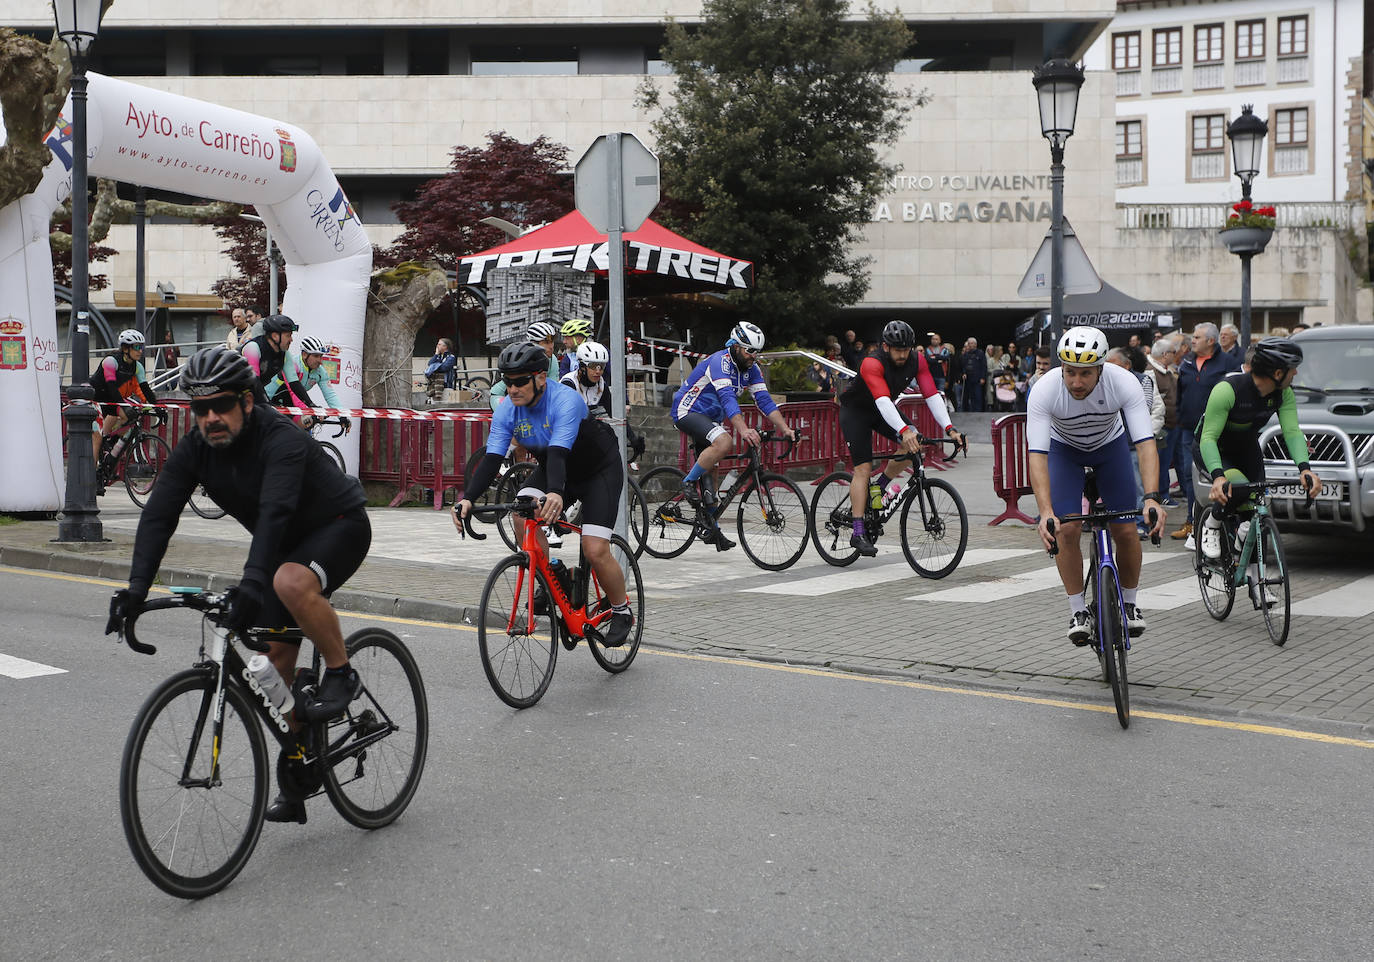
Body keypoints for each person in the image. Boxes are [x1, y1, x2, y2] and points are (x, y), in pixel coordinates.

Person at [105, 346, 372, 824]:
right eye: (200, 409)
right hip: (284, 546)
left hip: (338, 525)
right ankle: (300, 765)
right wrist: (136, 590)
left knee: (288, 581)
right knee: (274, 672)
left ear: (247, 402)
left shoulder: (280, 439)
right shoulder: (196, 449)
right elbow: (160, 513)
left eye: (221, 406)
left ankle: (340, 671)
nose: (210, 418)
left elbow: (275, 514)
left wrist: (252, 584)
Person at [454, 341, 634, 645]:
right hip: (556, 467)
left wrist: (555, 493)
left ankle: (622, 610)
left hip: (597, 470)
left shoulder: (564, 400)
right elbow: (492, 459)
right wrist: (468, 498)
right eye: (506, 381)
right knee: (522, 513)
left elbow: (559, 454)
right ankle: (549, 576)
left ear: (540, 378)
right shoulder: (508, 411)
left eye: (520, 381)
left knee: (594, 549)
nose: (512, 389)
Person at [1028, 327, 1165, 644]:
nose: (1076, 382)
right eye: (1070, 372)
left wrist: (1152, 498)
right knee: (1066, 530)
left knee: (1126, 530)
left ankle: (1129, 604)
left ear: (1101, 369)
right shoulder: (1045, 390)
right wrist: (1045, 510)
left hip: (1110, 448)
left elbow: (1145, 444)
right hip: (1064, 452)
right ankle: (1078, 610)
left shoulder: (1123, 383)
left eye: (1086, 374)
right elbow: (1037, 455)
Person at [1193, 339, 1320, 606]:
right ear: (1277, 372)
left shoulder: (1284, 393)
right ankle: (1212, 524)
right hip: (1214, 448)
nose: (1295, 373)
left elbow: (1292, 432)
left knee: (1257, 515)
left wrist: (1305, 469)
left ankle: (1257, 584)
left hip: (1246, 450)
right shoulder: (1228, 389)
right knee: (1237, 488)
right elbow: (1208, 438)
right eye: (1292, 368)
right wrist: (1218, 476)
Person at [839, 320, 966, 556]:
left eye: (906, 350)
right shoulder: (871, 362)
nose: (902, 355)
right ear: (886, 347)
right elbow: (883, 401)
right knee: (863, 469)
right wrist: (903, 431)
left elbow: (931, 394)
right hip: (857, 412)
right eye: (898, 350)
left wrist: (950, 428)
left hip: (881, 409)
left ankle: (881, 486)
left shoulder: (917, 360)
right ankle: (857, 532)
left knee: (915, 446)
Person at [669, 321, 798, 551]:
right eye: (749, 351)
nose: (753, 356)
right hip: (688, 411)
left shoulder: (751, 369)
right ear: (736, 346)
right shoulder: (720, 362)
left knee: (714, 475)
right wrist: (743, 429)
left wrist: (785, 428)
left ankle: (711, 528)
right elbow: (728, 398)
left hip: (711, 418)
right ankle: (688, 481)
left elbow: (765, 401)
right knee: (724, 442)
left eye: (757, 352)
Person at [1172, 323, 1241, 544]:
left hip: (1216, 431)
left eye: (1197, 337)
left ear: (1210, 342)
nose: (1192, 340)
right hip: (1187, 429)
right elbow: (1181, 392)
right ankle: (1193, 521)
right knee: (1187, 476)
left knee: (1215, 474)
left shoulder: (1228, 363)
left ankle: (1222, 520)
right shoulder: (1187, 362)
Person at [90, 329, 158, 470]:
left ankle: (110, 443)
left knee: (129, 418)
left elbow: (145, 389)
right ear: (126, 348)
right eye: (137, 347)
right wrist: (124, 406)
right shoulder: (110, 361)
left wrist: (157, 408)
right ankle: (90, 477)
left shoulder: (137, 366)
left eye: (142, 347)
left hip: (111, 400)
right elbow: (111, 387)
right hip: (96, 399)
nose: (141, 351)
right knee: (97, 438)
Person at [268, 335, 351, 435]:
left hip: (291, 403)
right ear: (304, 355)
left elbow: (330, 395)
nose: (320, 361)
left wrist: (341, 416)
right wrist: (310, 408)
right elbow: (293, 391)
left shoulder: (320, 372)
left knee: (305, 433)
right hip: (272, 400)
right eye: (316, 356)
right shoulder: (293, 365)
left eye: (321, 356)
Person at [241, 314, 312, 408]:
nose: (291, 340)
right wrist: (267, 404)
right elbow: (254, 381)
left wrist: (311, 405)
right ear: (275, 336)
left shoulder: (285, 354)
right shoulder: (253, 348)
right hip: (234, 393)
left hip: (250, 394)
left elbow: (294, 383)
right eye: (288, 336)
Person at [489, 321, 560, 411]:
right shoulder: (517, 358)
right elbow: (497, 393)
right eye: (546, 342)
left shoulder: (552, 359)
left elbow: (552, 389)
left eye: (552, 342)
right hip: (506, 398)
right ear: (534, 343)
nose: (551, 346)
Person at [1146, 336, 1182, 506]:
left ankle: (1163, 493)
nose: (1176, 355)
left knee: (1166, 462)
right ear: (1165, 354)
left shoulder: (1167, 370)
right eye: (1173, 352)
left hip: (1172, 424)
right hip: (1161, 426)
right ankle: (1161, 494)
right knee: (1159, 462)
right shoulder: (1150, 371)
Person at [424, 337, 458, 403]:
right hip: (434, 386)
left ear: (445, 346)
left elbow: (444, 368)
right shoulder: (438, 356)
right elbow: (430, 364)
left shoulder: (451, 357)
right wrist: (436, 355)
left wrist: (434, 367)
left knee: (445, 407)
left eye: (439, 344)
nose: (437, 346)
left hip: (446, 386)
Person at [958, 337, 987, 412]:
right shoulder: (966, 354)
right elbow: (963, 366)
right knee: (969, 396)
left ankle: (978, 412)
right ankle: (969, 411)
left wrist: (983, 377)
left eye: (971, 343)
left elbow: (984, 366)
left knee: (978, 396)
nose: (970, 345)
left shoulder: (980, 353)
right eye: (969, 343)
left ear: (975, 344)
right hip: (968, 379)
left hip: (977, 379)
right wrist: (964, 373)